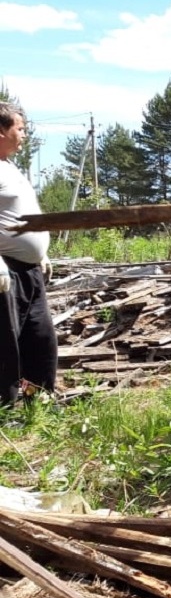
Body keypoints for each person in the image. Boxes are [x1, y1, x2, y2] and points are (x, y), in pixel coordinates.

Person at [0, 102, 56, 408]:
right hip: (5, 273)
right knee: (5, 344)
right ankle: (4, 410)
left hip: (29, 270)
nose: (24, 134)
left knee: (40, 339)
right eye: (19, 128)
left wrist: (40, 252)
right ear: (1, 130)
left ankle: (40, 402)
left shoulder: (8, 166)